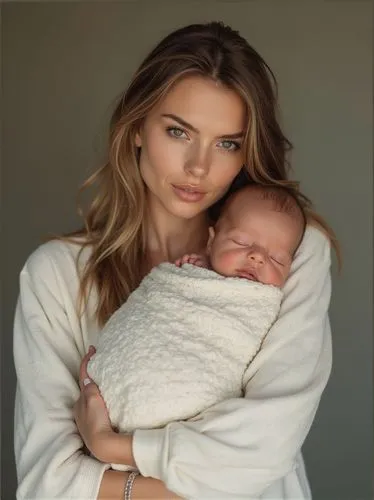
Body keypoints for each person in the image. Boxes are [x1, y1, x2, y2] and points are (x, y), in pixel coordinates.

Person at [13, 21, 337, 500]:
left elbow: (265, 451)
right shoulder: (56, 277)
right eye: (178, 132)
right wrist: (207, 475)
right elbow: (47, 484)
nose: (199, 167)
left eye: (227, 143)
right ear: (137, 128)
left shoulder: (287, 255)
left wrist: (106, 446)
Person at [87, 184, 306, 473]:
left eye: (277, 258)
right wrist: (198, 271)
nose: (257, 257)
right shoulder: (187, 276)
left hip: (199, 426)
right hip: (135, 393)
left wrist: (102, 441)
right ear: (211, 241)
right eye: (241, 242)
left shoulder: (271, 303)